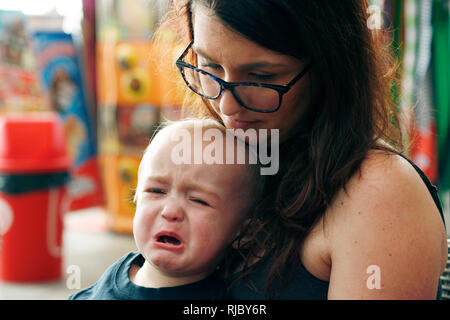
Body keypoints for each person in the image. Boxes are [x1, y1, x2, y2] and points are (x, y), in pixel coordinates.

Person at [161, 0, 448, 299]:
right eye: (209, 66)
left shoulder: (380, 194)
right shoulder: (237, 159)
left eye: (262, 77)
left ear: (330, 66)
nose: (226, 105)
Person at [69, 118, 264, 300]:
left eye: (198, 201)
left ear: (244, 233)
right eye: (156, 191)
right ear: (136, 197)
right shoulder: (114, 275)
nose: (170, 211)